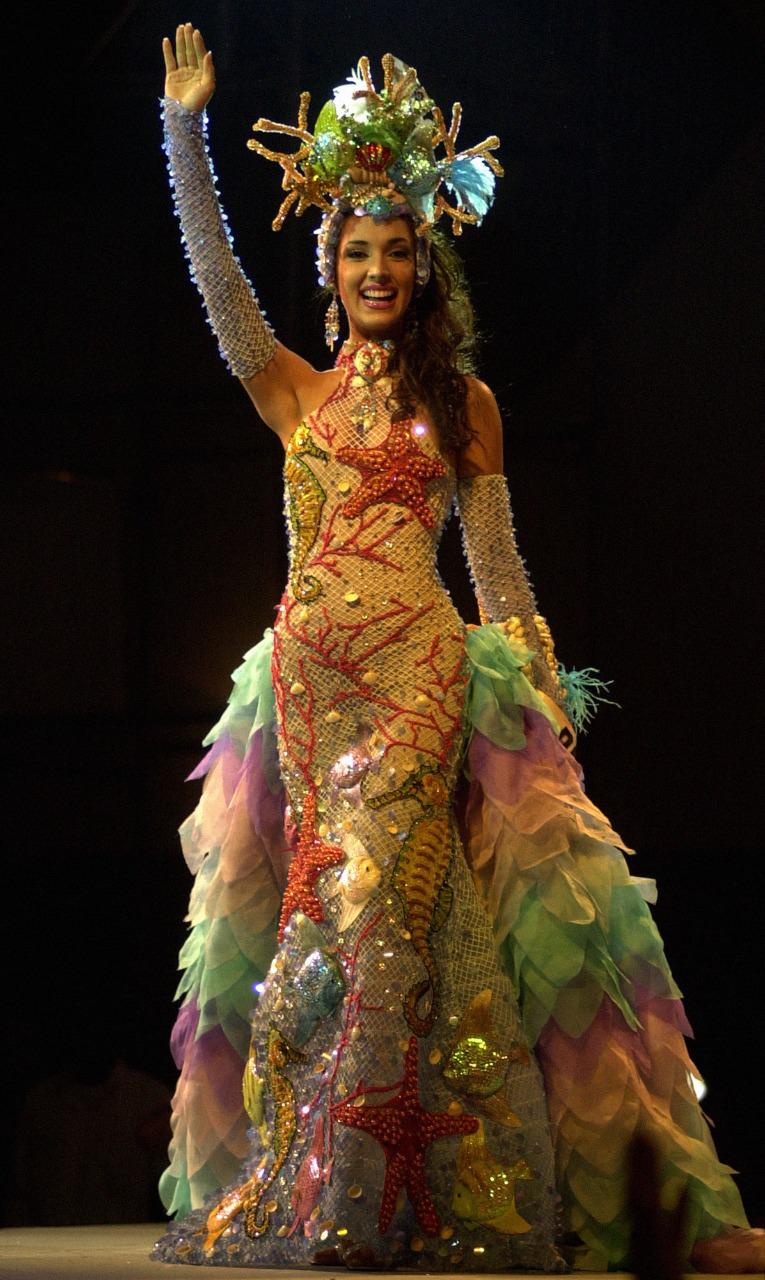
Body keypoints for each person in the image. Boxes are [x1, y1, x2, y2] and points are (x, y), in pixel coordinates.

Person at [153, 23, 763, 1274]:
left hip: (423, 673)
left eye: (396, 253)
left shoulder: (466, 403)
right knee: (326, 922)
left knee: (392, 902)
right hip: (310, 688)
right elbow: (218, 284)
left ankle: (394, 1188)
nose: (377, 270)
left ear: (425, 271)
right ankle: (354, 1187)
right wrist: (185, 135)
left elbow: (492, 562)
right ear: (332, 273)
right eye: (357, 253)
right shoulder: (294, 395)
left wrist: (533, 672)